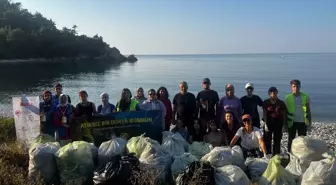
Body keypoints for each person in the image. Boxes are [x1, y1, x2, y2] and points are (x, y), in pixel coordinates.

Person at [286, 79, 312, 153]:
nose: (296, 88)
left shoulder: (305, 96)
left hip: (302, 122)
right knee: (291, 139)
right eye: (294, 86)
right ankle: (290, 154)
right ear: (291, 87)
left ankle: (302, 154)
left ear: (300, 87)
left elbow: (308, 110)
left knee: (303, 140)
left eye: (297, 86)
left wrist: (310, 123)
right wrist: (284, 124)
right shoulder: (288, 98)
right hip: (292, 122)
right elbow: (285, 112)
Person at [263, 87, 287, 155]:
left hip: (278, 125)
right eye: (271, 93)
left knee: (277, 141)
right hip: (268, 124)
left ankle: (276, 155)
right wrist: (265, 124)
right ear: (269, 94)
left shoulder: (281, 103)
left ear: (277, 93)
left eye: (274, 92)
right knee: (267, 140)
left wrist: (284, 125)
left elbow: (284, 115)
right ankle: (267, 154)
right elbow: (264, 113)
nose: (273, 94)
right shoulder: (266, 102)